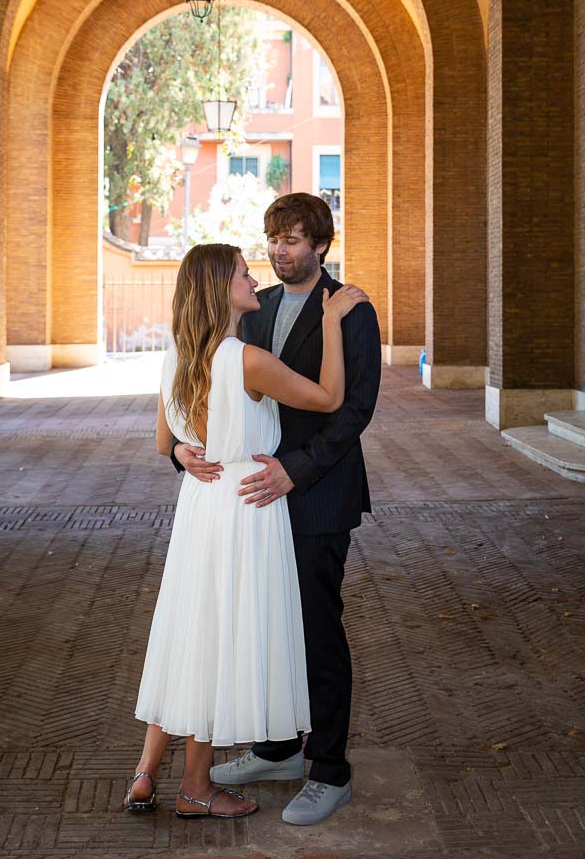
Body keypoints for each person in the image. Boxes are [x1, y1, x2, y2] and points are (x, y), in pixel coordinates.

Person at [125, 242, 368, 819]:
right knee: (221, 637)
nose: (252, 276)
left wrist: (188, 452)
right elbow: (332, 396)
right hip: (245, 507)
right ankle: (195, 788)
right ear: (221, 289)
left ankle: (153, 772)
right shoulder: (246, 360)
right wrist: (332, 323)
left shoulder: (177, 355)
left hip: (199, 508)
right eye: (241, 272)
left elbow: (166, 444)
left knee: (192, 631)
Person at [176, 193, 382, 825]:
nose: (278, 251)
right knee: (266, 623)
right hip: (253, 504)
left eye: (292, 240)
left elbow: (353, 411)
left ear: (321, 245)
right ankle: (276, 749)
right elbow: (209, 384)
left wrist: (296, 470)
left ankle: (329, 769)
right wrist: (181, 450)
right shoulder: (255, 306)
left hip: (317, 495)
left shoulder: (351, 310)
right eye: (272, 239)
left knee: (318, 629)